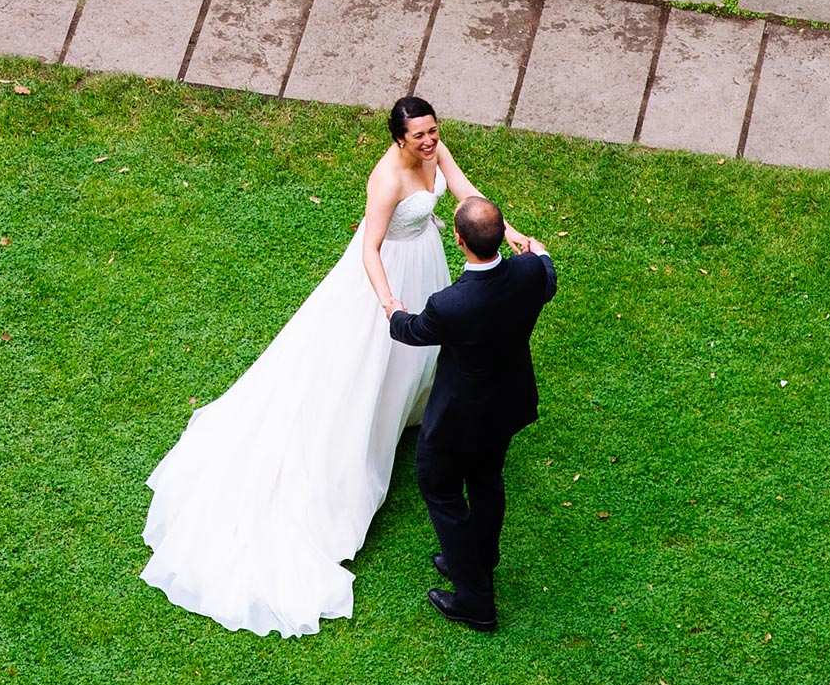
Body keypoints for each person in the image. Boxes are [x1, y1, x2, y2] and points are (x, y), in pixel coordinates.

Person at [140, 97, 530, 636]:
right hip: (387, 274)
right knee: (375, 363)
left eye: (434, 132)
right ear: (398, 138)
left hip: (425, 261)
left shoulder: (437, 152)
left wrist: (504, 229)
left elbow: (466, 192)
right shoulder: (387, 178)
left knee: (425, 355)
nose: (429, 142)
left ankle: (412, 409)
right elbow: (369, 248)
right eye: (419, 136)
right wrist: (390, 304)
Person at [385, 195, 556, 631]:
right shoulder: (531, 274)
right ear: (502, 237)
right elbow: (545, 267)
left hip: (458, 419)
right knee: (485, 479)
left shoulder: (450, 304)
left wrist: (392, 309)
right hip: (505, 405)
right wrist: (536, 248)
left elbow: (412, 330)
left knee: (440, 490)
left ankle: (476, 601)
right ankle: (481, 555)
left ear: (458, 240)